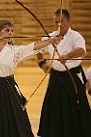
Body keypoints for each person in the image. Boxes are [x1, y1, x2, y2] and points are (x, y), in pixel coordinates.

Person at [0, 19, 61, 137]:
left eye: (12, 31)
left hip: (10, 89)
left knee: (17, 120)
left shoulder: (15, 51)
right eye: (7, 30)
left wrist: (51, 40)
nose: (10, 33)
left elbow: (34, 46)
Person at [36, 9, 91, 137]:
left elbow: (81, 51)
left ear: (69, 21)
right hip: (56, 75)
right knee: (53, 104)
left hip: (72, 74)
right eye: (56, 22)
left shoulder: (75, 36)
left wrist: (67, 56)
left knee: (78, 103)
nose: (59, 25)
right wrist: (42, 64)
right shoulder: (50, 37)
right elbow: (38, 49)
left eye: (62, 21)